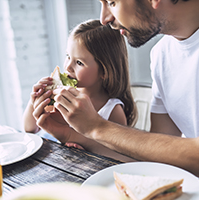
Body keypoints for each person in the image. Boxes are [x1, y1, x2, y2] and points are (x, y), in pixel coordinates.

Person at [33, 0, 199, 194]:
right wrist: (71, 135)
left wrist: (96, 127)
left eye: (111, 2)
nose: (104, 19)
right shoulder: (161, 55)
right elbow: (155, 156)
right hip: (190, 189)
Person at [23, 19, 137, 162]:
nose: (68, 67)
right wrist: (34, 101)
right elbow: (30, 129)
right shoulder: (61, 95)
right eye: (68, 56)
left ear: (105, 71)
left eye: (79, 62)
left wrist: (84, 148)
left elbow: (119, 156)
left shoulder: (113, 110)